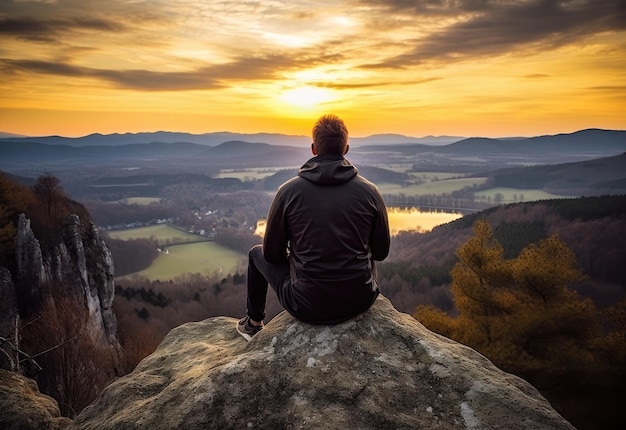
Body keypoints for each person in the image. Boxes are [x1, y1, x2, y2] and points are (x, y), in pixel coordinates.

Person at [237, 114, 390, 340]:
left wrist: (299, 257)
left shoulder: (288, 192)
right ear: (345, 148)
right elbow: (381, 252)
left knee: (255, 253)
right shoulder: (369, 191)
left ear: (313, 149)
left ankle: (254, 323)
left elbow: (270, 254)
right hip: (359, 300)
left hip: (306, 304)